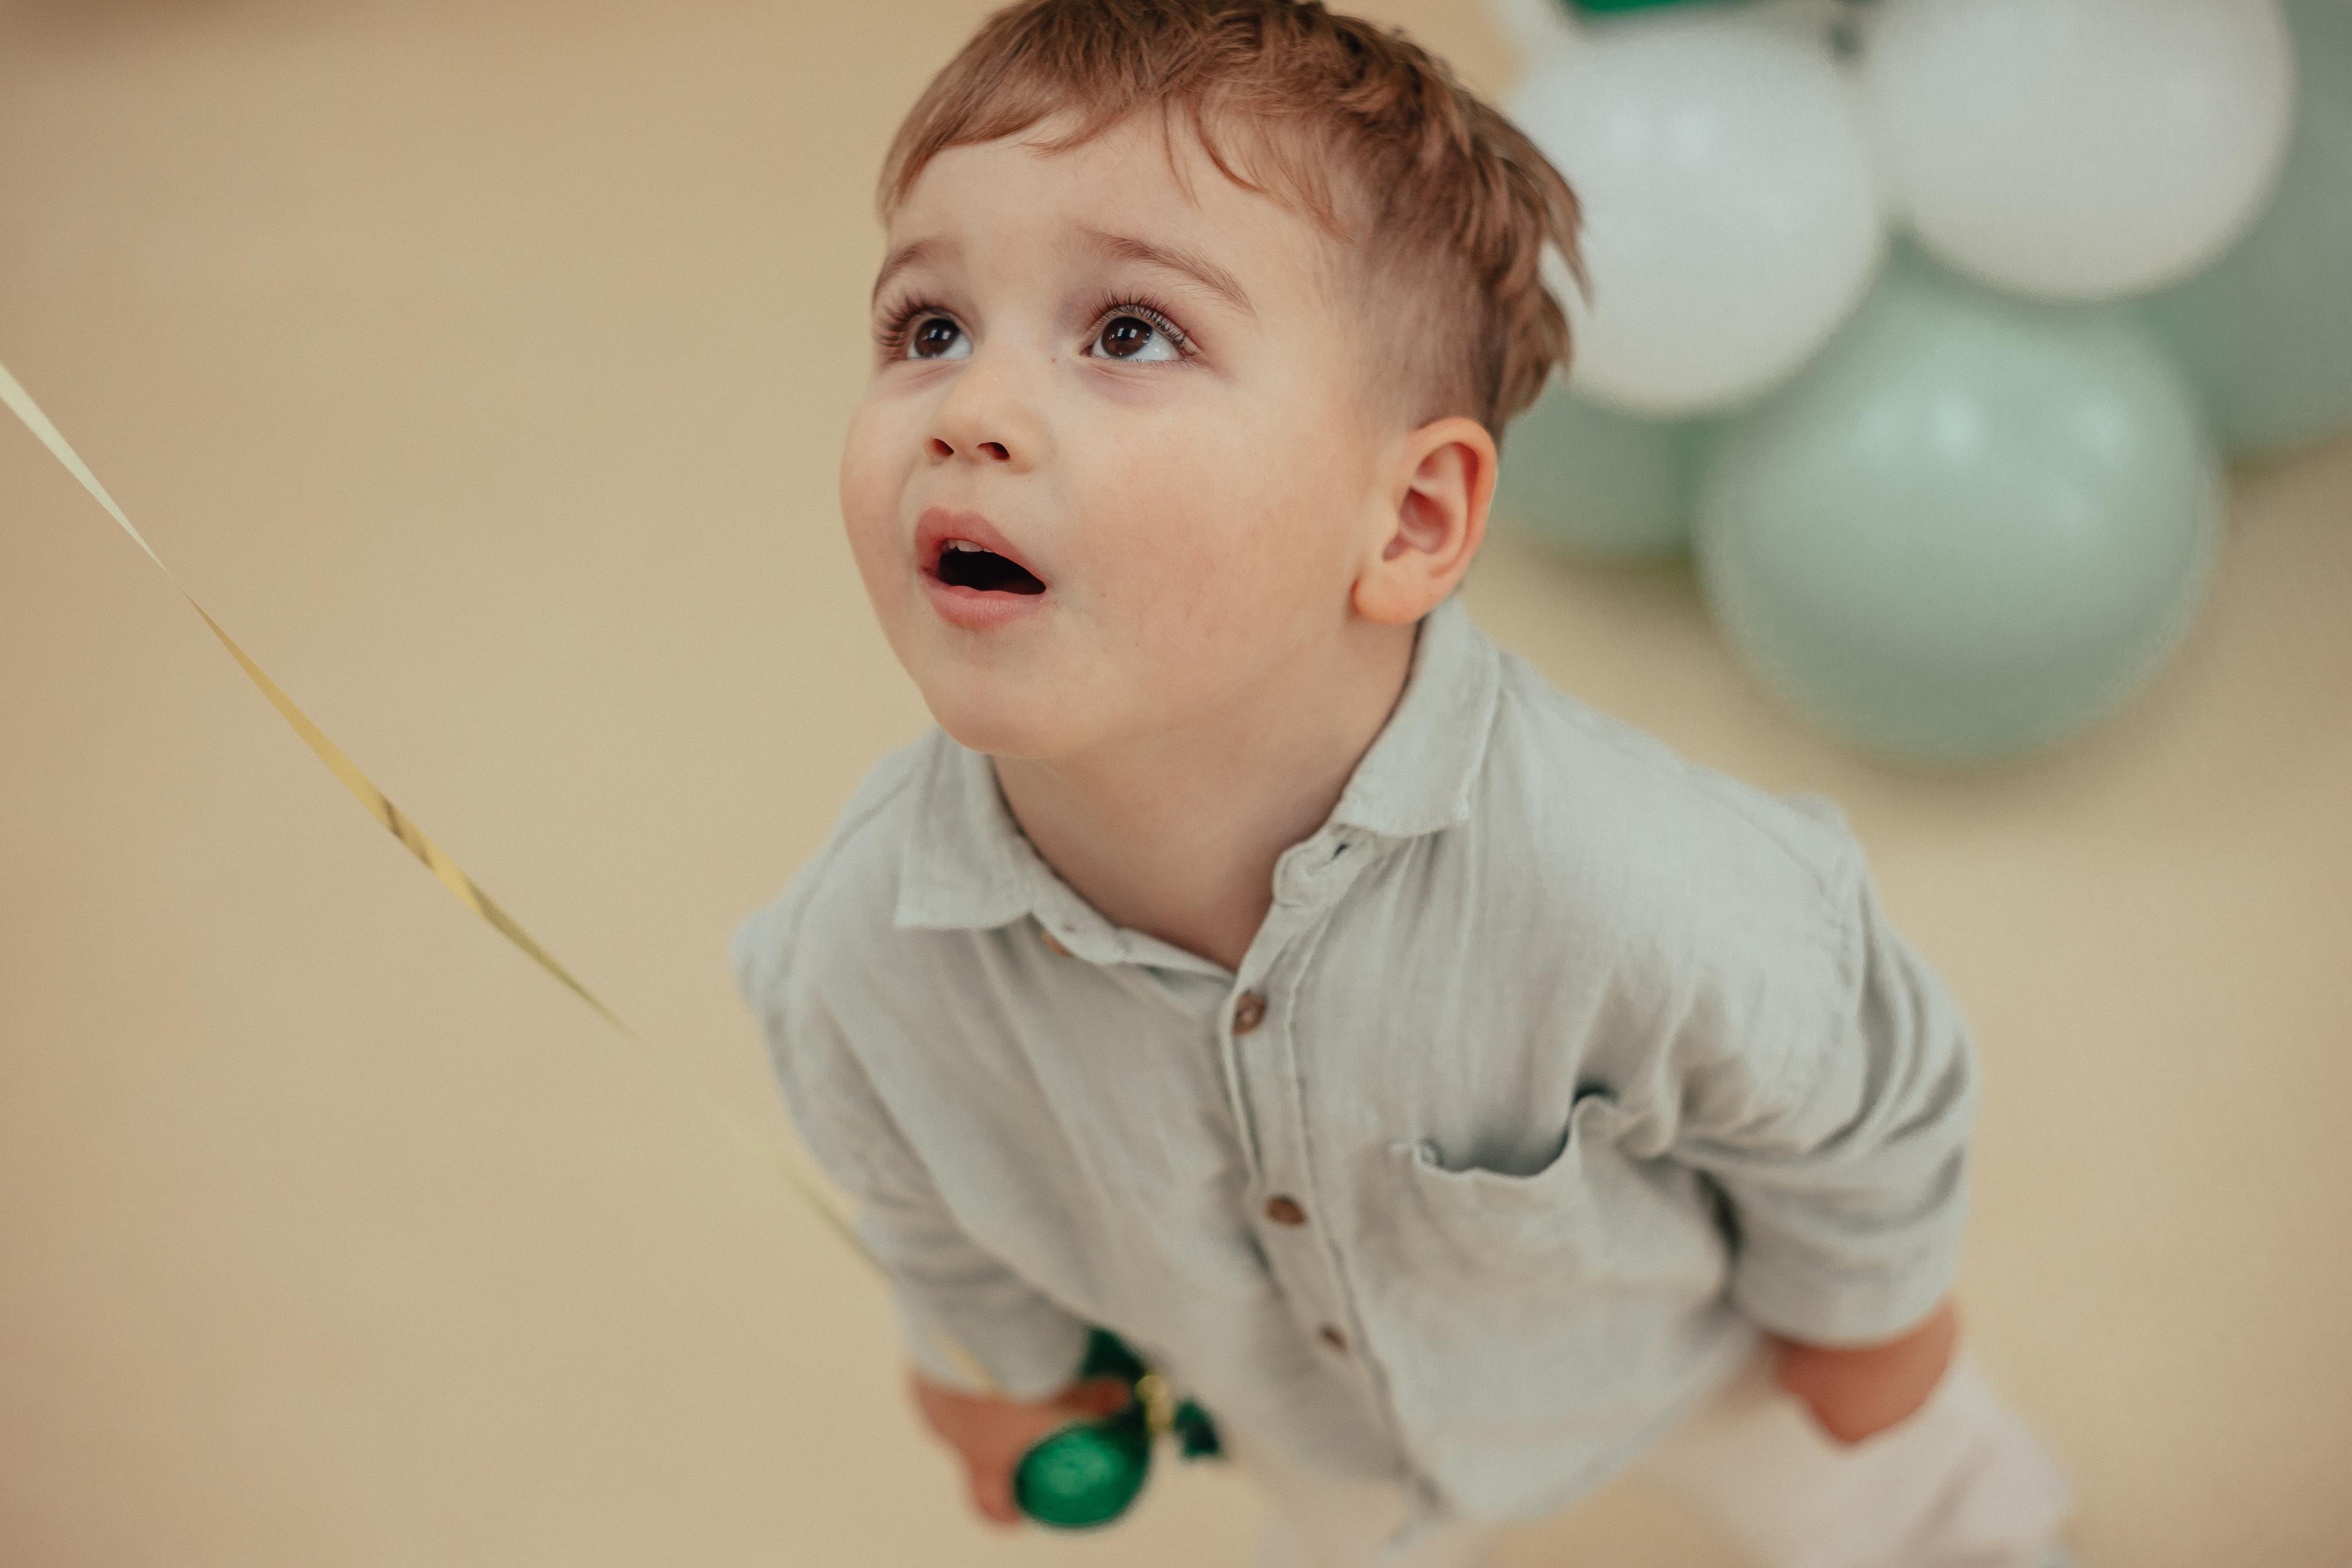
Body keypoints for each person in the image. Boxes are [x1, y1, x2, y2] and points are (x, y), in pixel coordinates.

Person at [729, 3, 2078, 1562]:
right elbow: (918, 1191)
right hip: (1325, 1440)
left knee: (1910, 1496)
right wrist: (996, 1370)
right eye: (927, 328)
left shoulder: (1631, 878)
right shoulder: (856, 958)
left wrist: (1869, 1321)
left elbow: (1861, 1087)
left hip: (1695, 1365)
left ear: (1412, 520)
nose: (966, 413)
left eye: (1129, 332)